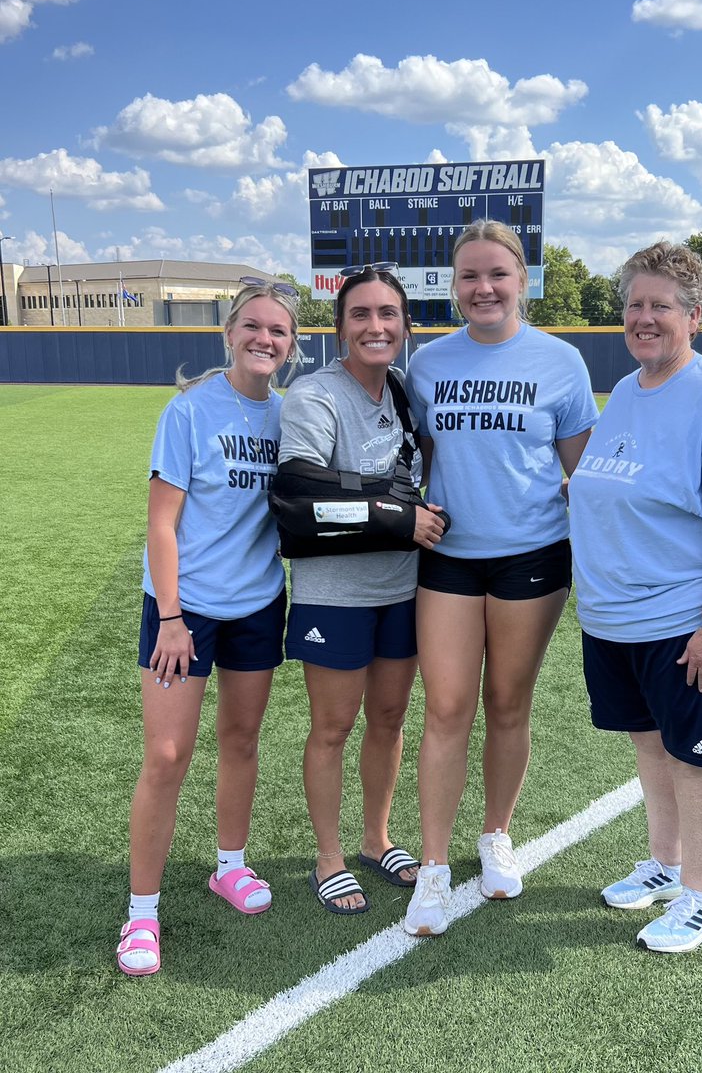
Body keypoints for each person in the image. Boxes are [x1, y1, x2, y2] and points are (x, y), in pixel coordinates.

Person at [569, 240, 702, 953]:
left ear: (695, 315)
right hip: (618, 618)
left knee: (696, 755)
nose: (644, 318)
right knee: (652, 746)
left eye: (661, 305)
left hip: (689, 617)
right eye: (634, 305)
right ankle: (665, 865)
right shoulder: (628, 390)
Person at [402, 219, 599, 937]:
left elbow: (588, 475)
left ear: (522, 280)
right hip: (449, 557)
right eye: (469, 276)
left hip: (534, 556)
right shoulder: (427, 364)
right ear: (453, 286)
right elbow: (417, 463)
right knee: (447, 708)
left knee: (509, 704)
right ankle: (433, 867)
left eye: (497, 274)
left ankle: (495, 835)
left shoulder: (561, 362)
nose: (483, 288)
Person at [116, 278, 298, 976]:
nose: (263, 338)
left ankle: (230, 865)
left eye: (277, 330)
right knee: (166, 756)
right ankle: (142, 911)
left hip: (257, 604)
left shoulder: (287, 417)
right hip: (183, 608)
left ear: (292, 345)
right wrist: (169, 617)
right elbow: (161, 524)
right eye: (252, 325)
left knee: (242, 740)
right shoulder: (189, 410)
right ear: (229, 333)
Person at [279, 264, 447, 915]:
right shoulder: (315, 396)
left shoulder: (404, 391)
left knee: (389, 718)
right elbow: (300, 501)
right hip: (333, 594)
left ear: (405, 325)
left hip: (401, 589)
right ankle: (329, 857)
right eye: (361, 314)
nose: (375, 326)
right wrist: (397, 518)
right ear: (340, 326)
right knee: (333, 726)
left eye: (388, 314)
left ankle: (376, 839)